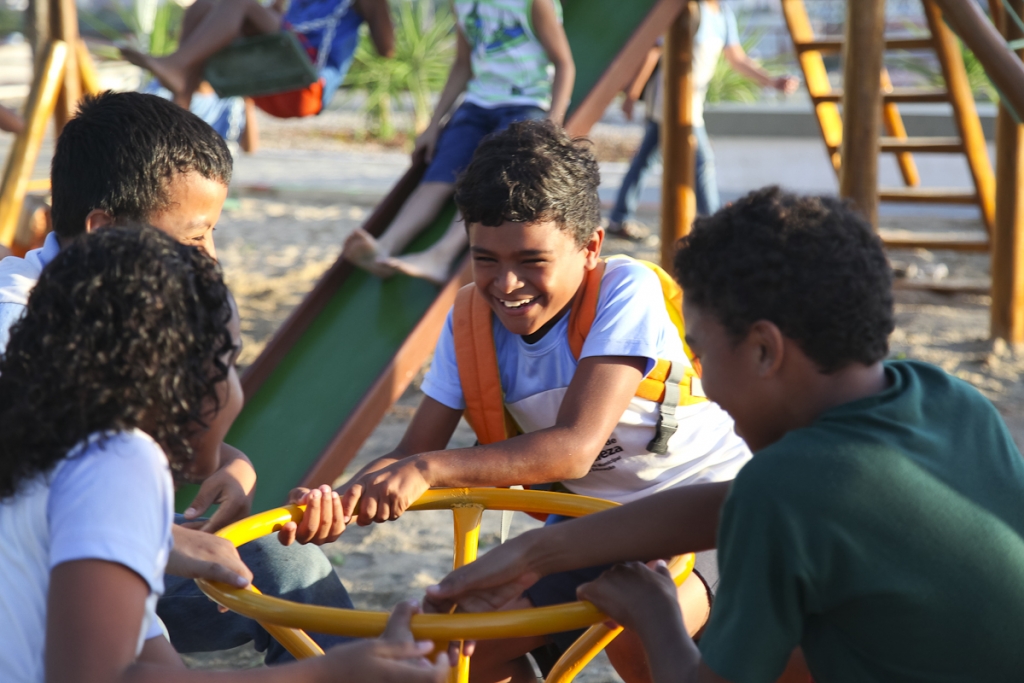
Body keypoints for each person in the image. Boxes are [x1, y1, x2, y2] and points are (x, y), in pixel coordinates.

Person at [426, 187, 1024, 683]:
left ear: (764, 350)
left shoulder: (787, 486)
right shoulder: (950, 400)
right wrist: (535, 552)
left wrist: (654, 613)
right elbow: (726, 505)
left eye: (702, 352)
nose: (702, 380)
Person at [285, 121, 752, 682]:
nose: (506, 284)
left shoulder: (626, 290)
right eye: (485, 259)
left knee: (639, 637)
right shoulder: (470, 322)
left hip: (705, 511)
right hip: (593, 529)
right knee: (453, 646)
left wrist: (429, 470)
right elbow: (412, 450)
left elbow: (575, 448)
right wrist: (340, 500)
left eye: (532, 261)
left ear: (590, 248)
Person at [0, 224, 448, 682]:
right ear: (176, 379)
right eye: (231, 364)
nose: (239, 389)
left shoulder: (55, 450)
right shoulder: (118, 462)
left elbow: (153, 667)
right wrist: (331, 673)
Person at [0, 91, 354, 663]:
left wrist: (228, 461)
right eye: (194, 237)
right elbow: (53, 492)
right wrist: (159, 538)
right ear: (105, 232)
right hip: (59, 576)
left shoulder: (116, 312)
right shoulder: (17, 331)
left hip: (95, 546)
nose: (210, 256)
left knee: (287, 565)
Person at [340, 0, 575, 285]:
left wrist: (553, 124)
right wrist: (433, 124)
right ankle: (385, 246)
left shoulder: (532, 3)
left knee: (491, 185)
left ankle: (441, 256)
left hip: (525, 104)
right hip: (476, 104)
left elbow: (564, 63)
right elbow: (463, 64)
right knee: (437, 178)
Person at [607, 0, 798, 240]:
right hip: (669, 99)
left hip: (691, 100)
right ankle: (714, 223)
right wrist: (632, 95)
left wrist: (771, 82)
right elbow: (655, 52)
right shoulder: (690, 9)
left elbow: (737, 59)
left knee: (646, 159)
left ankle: (619, 217)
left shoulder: (723, 15)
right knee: (701, 161)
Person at [123, 0, 394, 114]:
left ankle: (177, 65)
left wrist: (377, 9)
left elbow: (387, 50)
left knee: (240, 3)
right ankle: (181, 102)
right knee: (203, 5)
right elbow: (275, 15)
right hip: (272, 71)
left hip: (308, 82)